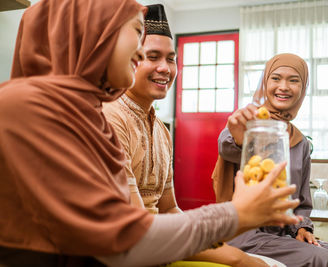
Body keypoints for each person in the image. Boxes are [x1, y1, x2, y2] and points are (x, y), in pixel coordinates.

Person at [0, 1, 301, 266]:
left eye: (170, 58)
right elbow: (125, 240)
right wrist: (236, 216)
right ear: (94, 34)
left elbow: (159, 215)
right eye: (134, 31)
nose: (139, 47)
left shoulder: (91, 117)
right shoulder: (29, 107)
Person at [103, 4, 273, 266]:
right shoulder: (110, 118)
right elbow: (137, 231)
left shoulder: (161, 130)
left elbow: (170, 209)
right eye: (153, 56)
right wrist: (235, 251)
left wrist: (224, 248)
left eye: (171, 59)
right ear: (132, 58)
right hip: (132, 250)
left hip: (161, 244)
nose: (165, 68)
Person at [212, 53, 328, 267]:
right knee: (320, 259)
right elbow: (228, 147)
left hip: (282, 234)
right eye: (276, 78)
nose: (284, 86)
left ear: (303, 88)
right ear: (265, 83)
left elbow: (301, 201)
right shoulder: (248, 125)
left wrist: (302, 228)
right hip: (243, 231)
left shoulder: (300, 142)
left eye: (294, 80)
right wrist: (239, 134)